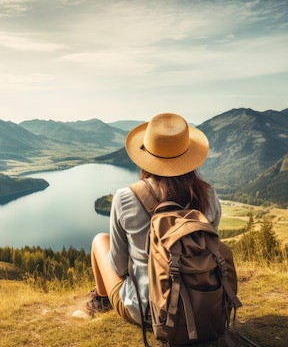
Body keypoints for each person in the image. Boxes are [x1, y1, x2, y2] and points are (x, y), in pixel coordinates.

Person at [87, 112, 222, 325]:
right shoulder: (208, 195)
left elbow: (119, 267)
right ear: (189, 156)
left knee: (99, 240)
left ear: (146, 156)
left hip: (148, 312)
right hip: (202, 304)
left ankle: (101, 301)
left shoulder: (125, 197)